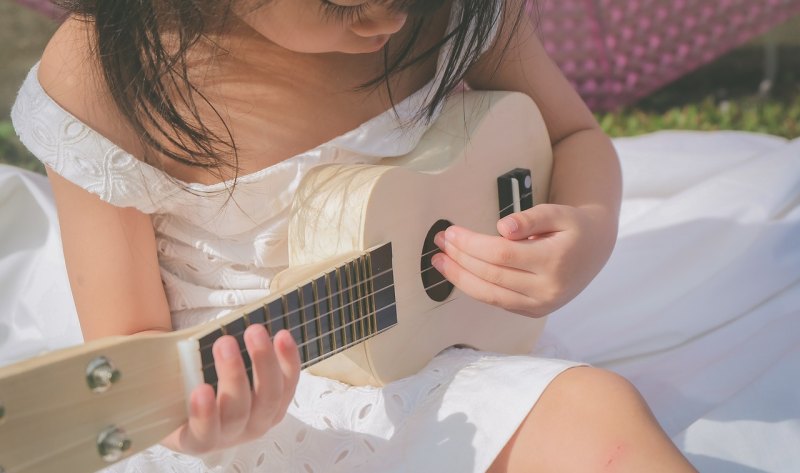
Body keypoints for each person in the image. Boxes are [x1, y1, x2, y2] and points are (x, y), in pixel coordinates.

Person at [11, 0, 698, 471]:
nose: (391, 17)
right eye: (343, 2)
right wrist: (195, 421)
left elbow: (574, 136)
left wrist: (587, 227)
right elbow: (133, 356)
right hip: (261, 418)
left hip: (443, 357)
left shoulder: (448, 13)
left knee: (601, 415)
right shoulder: (104, 77)